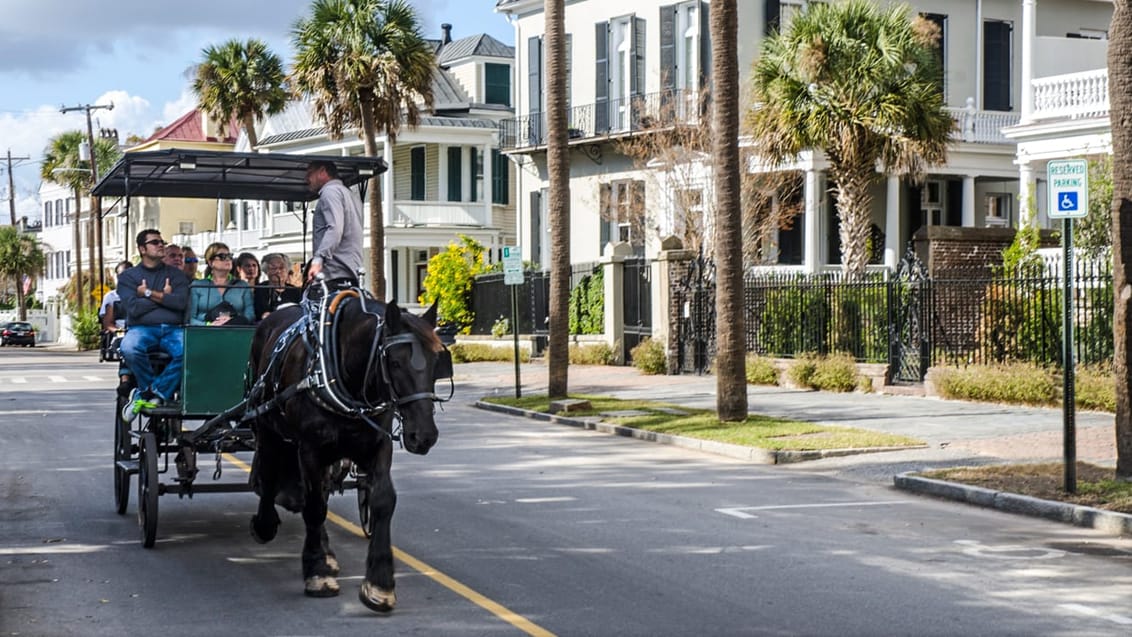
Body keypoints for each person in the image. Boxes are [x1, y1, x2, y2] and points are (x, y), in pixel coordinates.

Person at [117, 229, 190, 419]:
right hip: (142, 328)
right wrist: (164, 296)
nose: (160, 245)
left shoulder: (176, 275)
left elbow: (180, 303)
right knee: (129, 348)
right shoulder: (128, 277)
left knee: (190, 351)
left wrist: (147, 293)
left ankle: (150, 394)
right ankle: (150, 390)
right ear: (142, 249)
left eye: (162, 242)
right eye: (155, 242)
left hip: (173, 329)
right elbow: (133, 309)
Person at [305, 160, 364, 289]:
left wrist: (318, 260)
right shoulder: (351, 195)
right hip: (352, 273)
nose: (306, 178)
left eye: (310, 174)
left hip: (333, 274)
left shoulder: (330, 192)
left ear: (322, 171)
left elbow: (335, 228)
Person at [187, 242, 254, 326]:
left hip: (235, 332)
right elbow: (190, 318)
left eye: (230, 256)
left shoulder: (243, 286)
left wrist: (233, 320)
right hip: (205, 333)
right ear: (211, 262)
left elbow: (250, 315)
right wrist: (209, 324)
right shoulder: (197, 286)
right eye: (222, 257)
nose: (228, 259)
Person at [254, 252, 301, 320]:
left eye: (281, 268)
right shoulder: (260, 289)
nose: (278, 271)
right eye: (273, 268)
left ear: (287, 270)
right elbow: (260, 313)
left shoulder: (295, 291)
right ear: (266, 271)